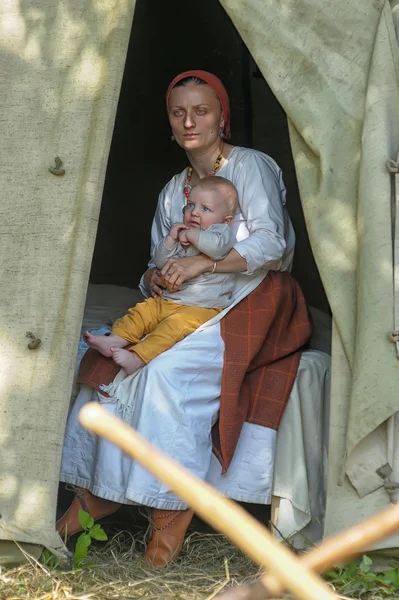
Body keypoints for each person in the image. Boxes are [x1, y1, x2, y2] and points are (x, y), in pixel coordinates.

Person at [57, 70, 308, 569]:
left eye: (202, 110)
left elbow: (272, 245)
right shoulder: (174, 190)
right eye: (179, 112)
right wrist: (154, 278)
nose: (190, 121)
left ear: (222, 116)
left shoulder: (250, 166)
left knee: (164, 375)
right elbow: (156, 257)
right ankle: (95, 498)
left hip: (250, 299)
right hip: (183, 302)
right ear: (170, 124)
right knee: (104, 369)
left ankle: (169, 514)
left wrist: (205, 262)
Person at [83, 176, 238, 375]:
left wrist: (190, 236)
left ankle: (137, 358)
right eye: (191, 205)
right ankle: (115, 339)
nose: (195, 213)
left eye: (205, 209)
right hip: (169, 299)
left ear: (226, 220)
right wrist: (170, 241)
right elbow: (161, 261)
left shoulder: (221, 233)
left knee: (169, 330)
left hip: (202, 308)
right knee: (141, 312)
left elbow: (216, 249)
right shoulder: (185, 233)